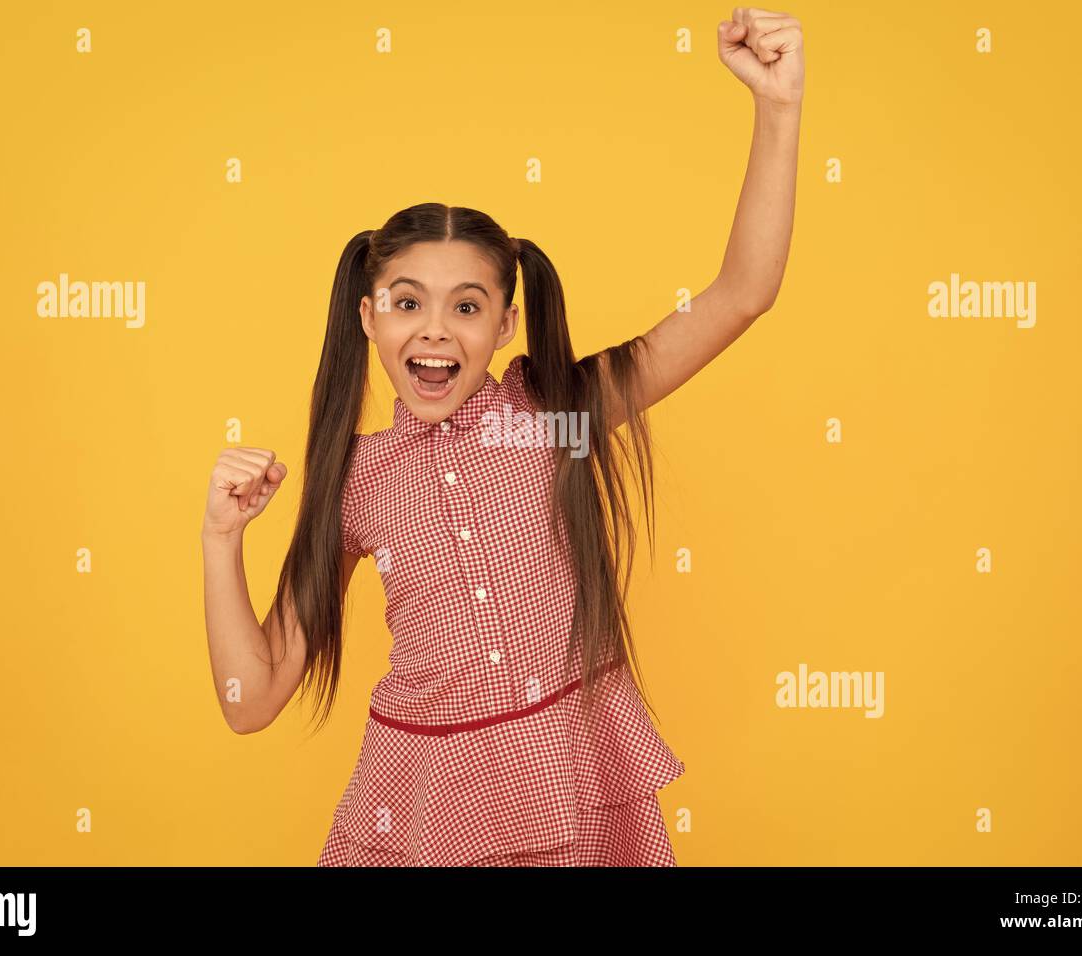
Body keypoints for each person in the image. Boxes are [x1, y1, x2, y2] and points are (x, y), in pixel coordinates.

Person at [201, 9, 804, 866]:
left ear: (507, 323)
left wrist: (777, 109)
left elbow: (743, 293)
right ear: (369, 318)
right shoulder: (357, 483)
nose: (436, 330)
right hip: (418, 807)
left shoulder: (558, 413)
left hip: (571, 782)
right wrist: (222, 540)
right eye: (408, 302)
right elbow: (248, 698)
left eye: (467, 306)